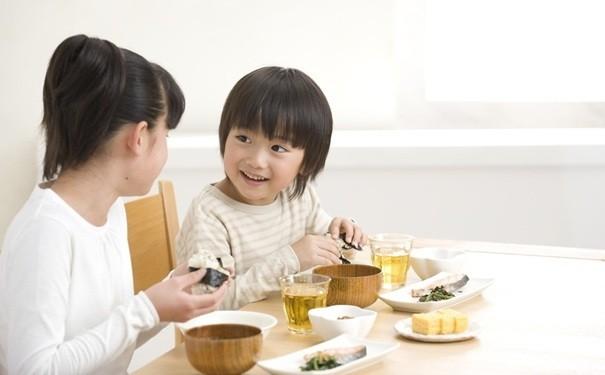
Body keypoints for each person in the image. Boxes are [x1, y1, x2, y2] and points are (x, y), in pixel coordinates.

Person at [0, 34, 227, 374]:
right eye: (164, 136)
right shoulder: (45, 232)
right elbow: (32, 370)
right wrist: (147, 309)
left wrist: (170, 298)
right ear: (138, 138)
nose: (164, 148)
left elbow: (106, 340)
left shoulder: (110, 210)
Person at [176, 66, 367, 310]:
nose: (256, 160)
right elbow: (211, 302)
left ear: (306, 163)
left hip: (286, 329)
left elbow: (319, 239)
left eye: (277, 148)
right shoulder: (210, 213)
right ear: (225, 136)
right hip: (233, 341)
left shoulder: (296, 195)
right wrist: (290, 259)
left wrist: (339, 232)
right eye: (244, 139)